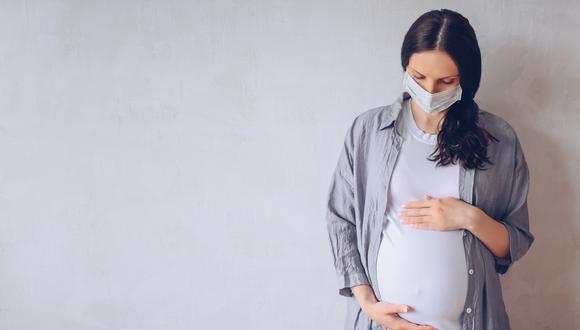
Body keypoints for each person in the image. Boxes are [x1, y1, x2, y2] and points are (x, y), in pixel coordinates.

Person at [325, 8, 535, 330]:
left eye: (446, 81)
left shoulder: (499, 139)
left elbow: (515, 240)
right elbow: (342, 221)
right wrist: (368, 305)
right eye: (419, 77)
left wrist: (469, 217)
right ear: (405, 66)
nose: (430, 91)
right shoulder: (367, 131)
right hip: (381, 324)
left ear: (466, 78)